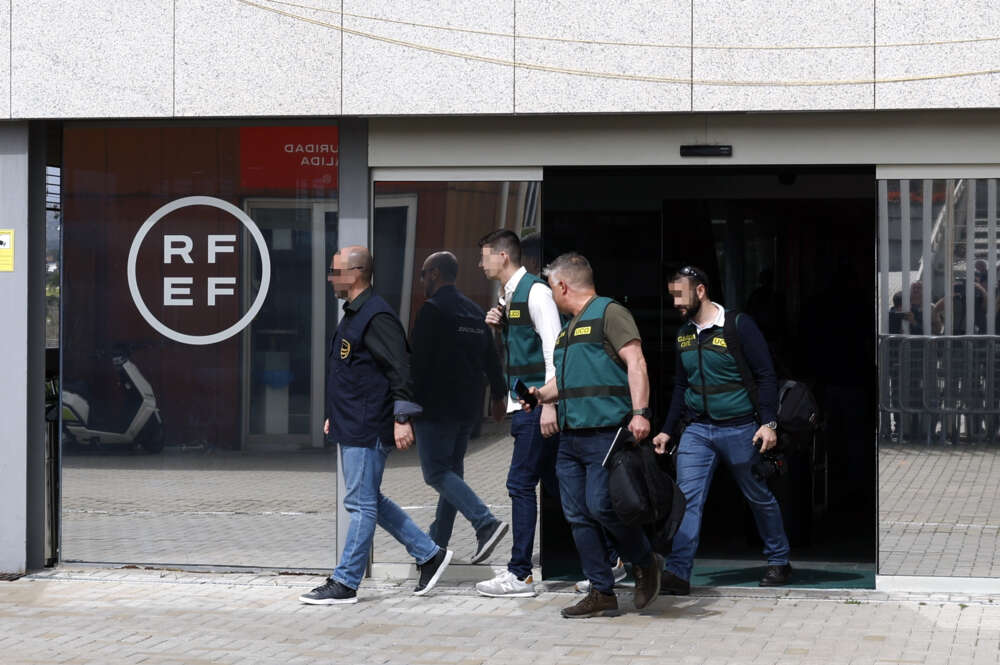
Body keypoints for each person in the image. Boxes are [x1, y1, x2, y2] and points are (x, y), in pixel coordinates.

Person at [299, 246, 452, 605]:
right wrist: (333, 414)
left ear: (355, 274)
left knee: (361, 503)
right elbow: (353, 371)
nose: (330, 278)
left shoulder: (376, 315)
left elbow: (400, 369)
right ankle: (430, 555)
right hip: (351, 421)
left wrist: (402, 419)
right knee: (371, 500)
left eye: (335, 271)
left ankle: (346, 582)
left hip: (368, 425)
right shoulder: (354, 313)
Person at [525, 252, 662, 619]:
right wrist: (541, 396)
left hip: (606, 433)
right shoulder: (569, 329)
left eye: (551, 287)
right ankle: (601, 590)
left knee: (602, 505)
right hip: (571, 438)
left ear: (562, 285)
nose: (551, 294)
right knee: (577, 513)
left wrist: (640, 413)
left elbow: (637, 362)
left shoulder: (609, 312)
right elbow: (567, 382)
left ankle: (645, 561)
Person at [652, 265, 792, 595]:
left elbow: (766, 376)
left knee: (758, 496)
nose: (674, 302)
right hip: (698, 430)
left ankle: (778, 560)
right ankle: (678, 572)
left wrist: (768, 424)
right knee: (685, 501)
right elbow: (680, 386)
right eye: (671, 295)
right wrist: (667, 430)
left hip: (742, 428)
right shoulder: (683, 333)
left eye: (679, 294)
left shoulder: (738, 326)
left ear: (700, 291)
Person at [475, 229, 563, 598]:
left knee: (520, 485)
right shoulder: (509, 296)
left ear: (503, 256)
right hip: (524, 404)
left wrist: (549, 404)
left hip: (537, 406)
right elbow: (519, 349)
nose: (481, 263)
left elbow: (554, 352)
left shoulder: (537, 292)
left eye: (485, 256)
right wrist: (500, 327)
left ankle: (520, 573)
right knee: (562, 487)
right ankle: (611, 560)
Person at [410, 251, 510, 562]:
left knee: (437, 473)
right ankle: (436, 543)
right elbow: (491, 358)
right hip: (466, 410)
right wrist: (498, 396)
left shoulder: (432, 310)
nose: (422, 280)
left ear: (436, 274)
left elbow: (416, 365)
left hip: (436, 409)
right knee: (451, 473)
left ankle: (485, 523)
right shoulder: (473, 311)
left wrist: (402, 410)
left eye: (424, 274)